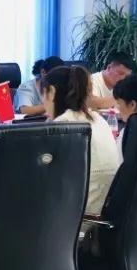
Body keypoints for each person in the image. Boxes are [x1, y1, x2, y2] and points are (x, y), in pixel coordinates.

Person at [43, 65, 122, 216]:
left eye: (43, 94)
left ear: (51, 92)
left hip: (76, 217)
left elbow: (43, 174)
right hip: (102, 213)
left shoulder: (64, 125)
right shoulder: (98, 119)